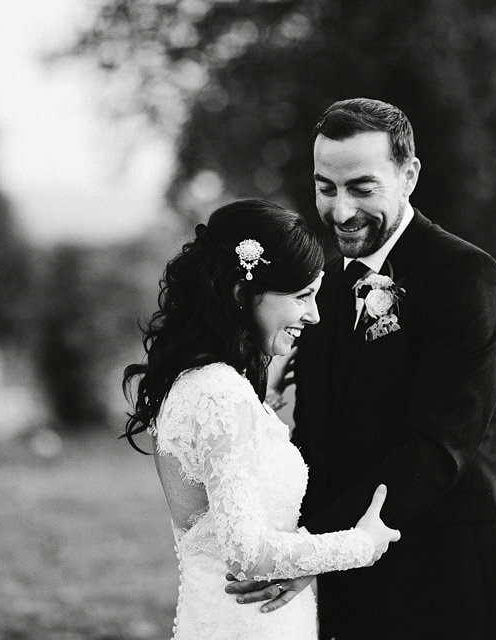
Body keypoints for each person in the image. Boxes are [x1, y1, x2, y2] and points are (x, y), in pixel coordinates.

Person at [227, 99, 496, 639]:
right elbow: (317, 436)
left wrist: (311, 549)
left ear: (408, 175)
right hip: (352, 587)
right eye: (326, 188)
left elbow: (436, 450)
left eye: (362, 188)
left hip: (449, 583)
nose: (341, 212)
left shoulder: (466, 278)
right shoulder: (326, 289)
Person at [121, 198, 400, 640]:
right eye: (302, 297)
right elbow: (246, 552)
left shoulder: (201, 384)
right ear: (240, 294)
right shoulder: (218, 393)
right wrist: (361, 545)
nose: (315, 315)